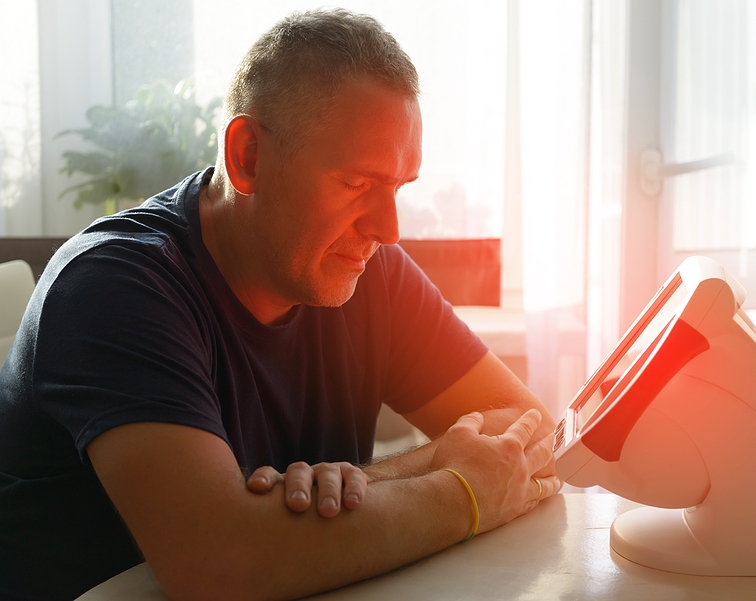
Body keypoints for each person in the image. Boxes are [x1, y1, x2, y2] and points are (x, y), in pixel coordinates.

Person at [0, 9, 560, 601]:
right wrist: (462, 493)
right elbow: (218, 561)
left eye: (398, 187)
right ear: (247, 156)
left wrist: (372, 482)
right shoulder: (114, 287)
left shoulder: (364, 269)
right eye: (357, 184)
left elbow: (530, 433)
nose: (388, 229)